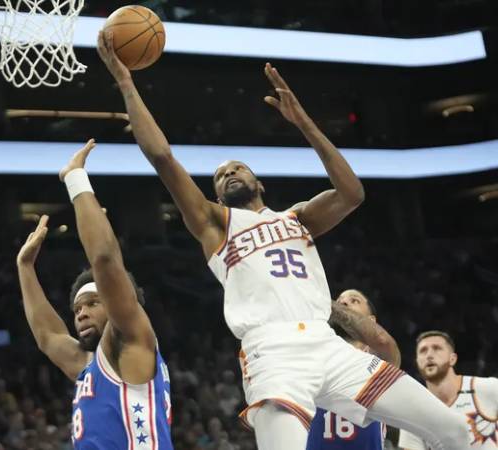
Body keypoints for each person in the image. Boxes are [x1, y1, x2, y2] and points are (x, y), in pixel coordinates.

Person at [97, 30, 468, 450]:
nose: (230, 173)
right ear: (217, 194)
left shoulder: (299, 218)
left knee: (453, 430)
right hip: (274, 352)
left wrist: (304, 123)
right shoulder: (215, 224)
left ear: (259, 182)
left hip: (329, 345)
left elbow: (352, 193)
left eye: (238, 167)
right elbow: (162, 156)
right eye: (220, 176)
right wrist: (126, 82)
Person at [16, 140, 173, 450]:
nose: (81, 313)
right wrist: (24, 267)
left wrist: (76, 178)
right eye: (76, 309)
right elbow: (48, 336)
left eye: (92, 303)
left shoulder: (131, 340)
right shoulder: (90, 364)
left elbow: (104, 259)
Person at [307, 289, 401, 449]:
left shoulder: (380, 361)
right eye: (340, 300)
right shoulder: (312, 354)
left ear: (371, 321)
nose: (343, 303)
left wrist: (321, 299)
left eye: (354, 300)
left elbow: (384, 342)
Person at [399, 331, 498, 449]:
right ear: (417, 362)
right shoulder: (413, 413)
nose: (429, 355)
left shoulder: (488, 387)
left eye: (437, 348)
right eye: (423, 351)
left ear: (453, 359)